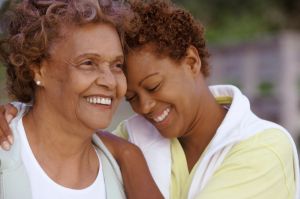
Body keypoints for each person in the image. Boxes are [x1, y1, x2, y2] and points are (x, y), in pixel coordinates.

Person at [0, 0, 299, 199]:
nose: (144, 107)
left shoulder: (265, 150)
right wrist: (20, 111)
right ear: (37, 68)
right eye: (132, 96)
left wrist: (130, 157)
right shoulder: (131, 136)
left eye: (154, 86)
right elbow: (61, 124)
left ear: (192, 62)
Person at [0, 0, 163, 199]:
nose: (110, 82)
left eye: (117, 65)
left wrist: (128, 153)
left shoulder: (121, 172)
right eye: (88, 63)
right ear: (38, 68)